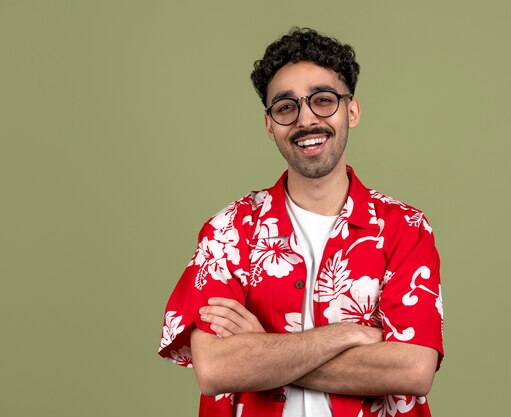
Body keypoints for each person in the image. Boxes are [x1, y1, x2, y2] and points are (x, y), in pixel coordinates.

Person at [158, 27, 444, 417]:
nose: (306, 119)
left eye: (323, 100)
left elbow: (412, 370)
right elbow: (215, 368)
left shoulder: (405, 228)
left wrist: (263, 351)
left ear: (352, 111)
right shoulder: (228, 230)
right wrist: (346, 334)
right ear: (269, 124)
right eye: (286, 107)